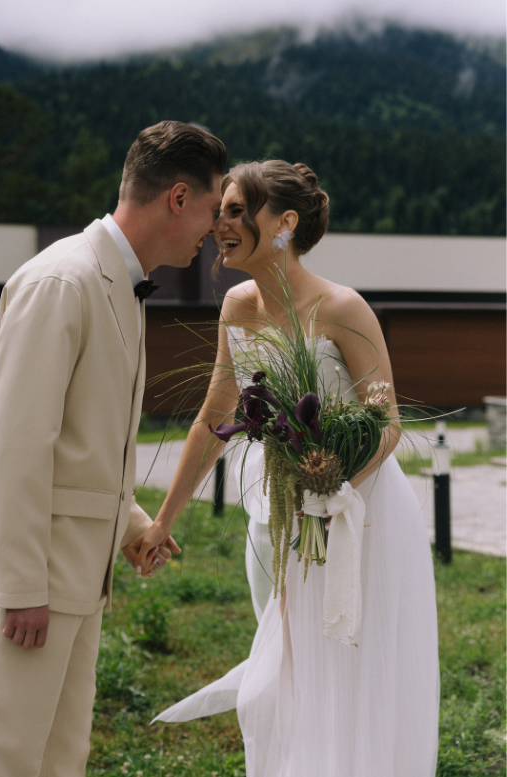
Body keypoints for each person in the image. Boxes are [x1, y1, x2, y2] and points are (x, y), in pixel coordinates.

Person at [0, 120, 224, 775]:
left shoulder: (118, 282)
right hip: (25, 582)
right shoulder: (62, 281)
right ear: (178, 198)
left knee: (60, 759)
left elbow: (82, 442)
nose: (213, 229)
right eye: (212, 209)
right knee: (4, 760)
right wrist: (22, 586)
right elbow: (15, 445)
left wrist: (130, 523)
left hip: (74, 577)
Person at [132, 161, 438, 775]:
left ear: (285, 223)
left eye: (237, 211)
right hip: (274, 517)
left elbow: (387, 420)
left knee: (353, 668)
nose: (220, 224)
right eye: (220, 211)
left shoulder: (342, 307)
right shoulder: (236, 306)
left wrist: (332, 489)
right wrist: (163, 521)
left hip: (359, 515)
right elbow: (213, 418)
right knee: (287, 674)